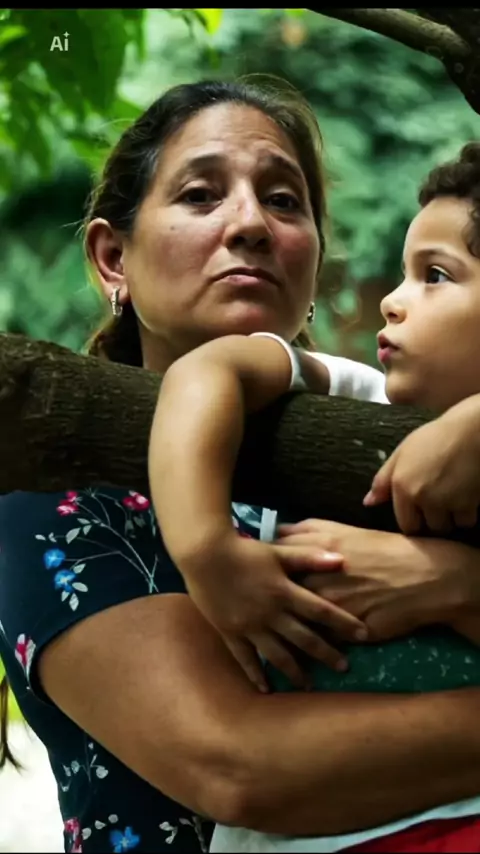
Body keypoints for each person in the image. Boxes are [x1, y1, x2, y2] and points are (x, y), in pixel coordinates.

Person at [0, 78, 480, 854]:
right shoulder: (61, 501)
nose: (252, 223)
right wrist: (211, 554)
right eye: (200, 195)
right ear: (114, 258)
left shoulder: (395, 432)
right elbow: (236, 766)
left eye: (284, 201)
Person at [147, 137, 480, 854]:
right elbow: (207, 374)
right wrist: (208, 554)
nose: (391, 301)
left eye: (436, 275)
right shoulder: (352, 401)